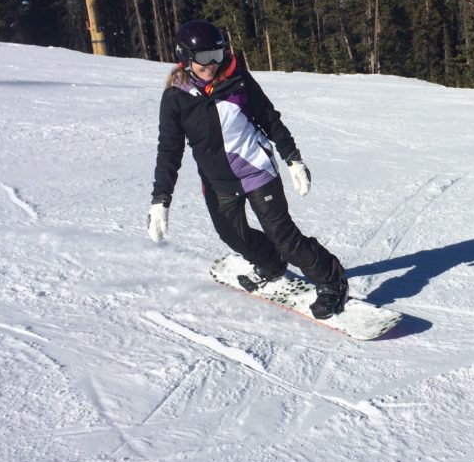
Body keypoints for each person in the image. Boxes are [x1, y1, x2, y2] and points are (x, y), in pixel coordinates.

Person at [146, 19, 348, 319]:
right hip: (217, 183)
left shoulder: (237, 79)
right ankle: (270, 263)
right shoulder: (176, 98)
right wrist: (161, 199)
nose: (212, 64)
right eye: (204, 58)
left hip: (256, 171)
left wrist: (292, 157)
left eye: (217, 55)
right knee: (233, 236)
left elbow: (269, 118)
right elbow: (169, 151)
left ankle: (332, 280)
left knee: (285, 237)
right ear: (185, 58)